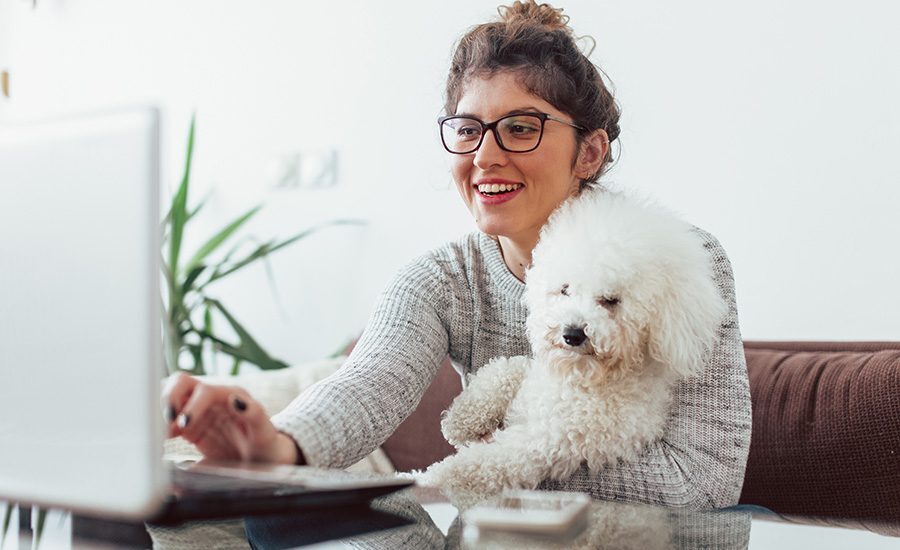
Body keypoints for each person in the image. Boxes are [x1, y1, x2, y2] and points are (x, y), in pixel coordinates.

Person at [164, 0, 751, 509]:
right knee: (277, 520)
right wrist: (274, 446)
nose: (485, 157)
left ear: (589, 152)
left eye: (521, 128)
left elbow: (703, 483)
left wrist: (513, 461)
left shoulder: (685, 262)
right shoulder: (442, 280)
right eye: (468, 130)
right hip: (496, 532)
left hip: (649, 538)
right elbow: (366, 385)